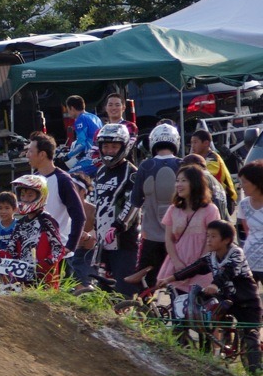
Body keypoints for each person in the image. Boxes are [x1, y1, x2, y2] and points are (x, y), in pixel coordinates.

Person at [157, 220, 261, 373]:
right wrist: (170, 279)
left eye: (213, 236)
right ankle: (206, 358)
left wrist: (214, 284)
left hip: (247, 303)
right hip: (226, 302)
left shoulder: (236, 253)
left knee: (251, 336)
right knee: (204, 321)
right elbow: (193, 268)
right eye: (207, 236)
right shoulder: (210, 256)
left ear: (226, 240)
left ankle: (255, 374)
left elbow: (229, 271)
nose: (209, 240)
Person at [124, 123, 182, 288]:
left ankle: (147, 308)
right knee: (179, 278)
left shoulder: (145, 166)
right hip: (179, 234)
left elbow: (135, 200)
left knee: (146, 281)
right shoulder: (182, 164)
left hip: (151, 236)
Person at [0, 174, 64, 288]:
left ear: (41, 196)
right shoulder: (20, 224)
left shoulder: (47, 221)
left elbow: (58, 248)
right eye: (23, 195)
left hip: (45, 278)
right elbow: (11, 252)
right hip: (22, 278)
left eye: (30, 195)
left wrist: (50, 260)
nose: (25, 199)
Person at [85, 124, 140, 297]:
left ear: (123, 147)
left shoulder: (131, 172)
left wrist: (118, 226)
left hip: (124, 241)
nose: (109, 151)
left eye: (114, 147)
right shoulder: (100, 172)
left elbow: (134, 202)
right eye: (105, 146)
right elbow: (96, 203)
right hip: (102, 242)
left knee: (124, 291)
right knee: (103, 291)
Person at [156, 165, 221, 293]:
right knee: (178, 307)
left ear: (195, 182)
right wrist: (177, 263)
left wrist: (197, 266)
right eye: (177, 180)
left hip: (202, 268)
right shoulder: (173, 209)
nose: (178, 185)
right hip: (177, 266)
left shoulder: (210, 210)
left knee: (200, 308)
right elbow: (169, 239)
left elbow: (212, 240)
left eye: (184, 181)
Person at [26, 132, 85, 271]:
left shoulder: (63, 180)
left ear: (42, 154)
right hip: (39, 251)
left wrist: (70, 246)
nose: (27, 155)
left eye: (30, 151)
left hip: (61, 254)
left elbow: (79, 216)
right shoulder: (33, 179)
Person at [190, 129, 237, 215]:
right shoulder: (199, 158)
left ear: (206, 143)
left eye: (195, 142)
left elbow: (203, 176)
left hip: (225, 198)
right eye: (191, 142)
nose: (192, 145)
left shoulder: (213, 159)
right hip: (213, 196)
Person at [180, 154, 232, 223]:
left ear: (195, 166)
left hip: (208, 226)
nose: (183, 170)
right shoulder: (217, 183)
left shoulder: (200, 178)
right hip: (220, 226)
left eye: (185, 166)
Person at [236, 160, 263, 287]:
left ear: (257, 182)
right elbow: (247, 232)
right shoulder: (244, 204)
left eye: (245, 182)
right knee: (249, 302)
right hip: (249, 260)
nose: (241, 186)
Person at [64, 95, 103, 175]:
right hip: (101, 157)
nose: (68, 113)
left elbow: (81, 144)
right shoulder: (95, 117)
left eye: (68, 110)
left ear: (72, 108)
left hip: (91, 158)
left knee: (70, 177)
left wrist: (67, 156)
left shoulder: (80, 119)